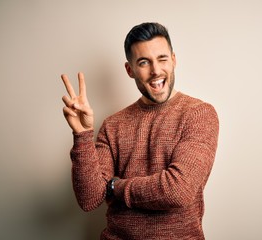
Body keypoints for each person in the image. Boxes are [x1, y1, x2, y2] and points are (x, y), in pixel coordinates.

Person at [61, 22, 219, 239]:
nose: (156, 71)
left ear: (173, 60)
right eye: (144, 62)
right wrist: (82, 135)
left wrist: (115, 186)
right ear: (130, 70)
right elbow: (90, 198)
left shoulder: (198, 114)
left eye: (162, 59)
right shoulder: (113, 125)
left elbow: (178, 190)